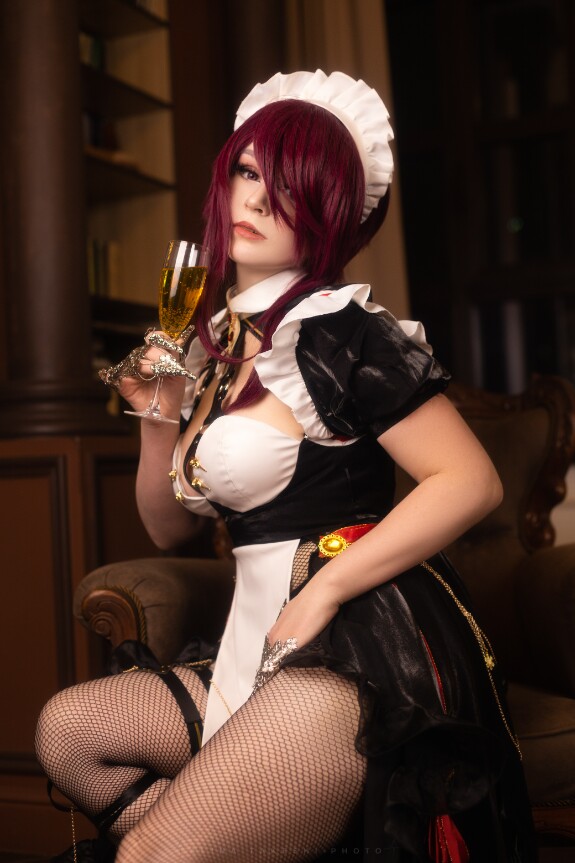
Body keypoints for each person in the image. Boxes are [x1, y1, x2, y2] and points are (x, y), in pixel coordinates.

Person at [36, 70, 536, 863]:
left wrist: (324, 591)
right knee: (66, 731)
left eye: (292, 187)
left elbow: (470, 480)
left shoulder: (341, 332)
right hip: (255, 637)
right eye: (247, 171)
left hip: (362, 645)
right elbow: (167, 528)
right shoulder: (215, 347)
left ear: (331, 218)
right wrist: (158, 419)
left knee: (150, 854)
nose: (258, 199)